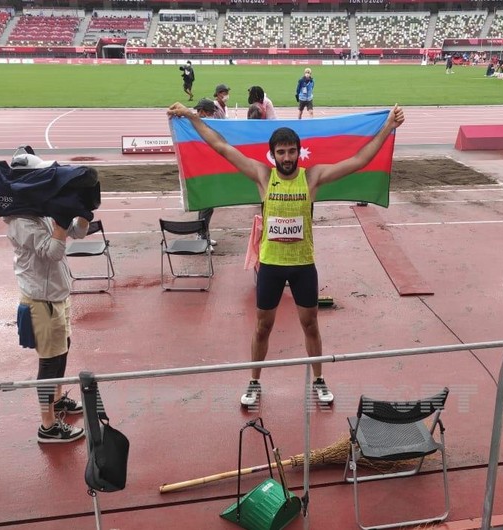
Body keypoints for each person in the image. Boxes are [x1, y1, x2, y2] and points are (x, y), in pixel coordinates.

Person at [166, 101, 405, 407]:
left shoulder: (312, 177)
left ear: (298, 151)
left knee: (310, 324)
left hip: (303, 264)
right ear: (273, 154)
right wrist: (190, 116)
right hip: (271, 265)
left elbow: (359, 160)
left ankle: (319, 380)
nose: (287, 157)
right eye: (281, 152)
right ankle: (254, 381)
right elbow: (220, 146)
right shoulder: (263, 176)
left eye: (292, 151)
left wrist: (387, 126)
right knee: (263, 326)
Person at [4, 213, 90, 443]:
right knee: (50, 361)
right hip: (41, 301)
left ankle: (58, 398)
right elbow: (53, 251)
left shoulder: (42, 213)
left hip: (57, 296)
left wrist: (83, 213)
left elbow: (78, 232)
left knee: (63, 349)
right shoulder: (20, 222)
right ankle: (48, 425)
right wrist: (61, 222)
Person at [193, 98, 219, 246]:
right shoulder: (192, 124)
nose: (211, 115)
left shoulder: (205, 125)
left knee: (208, 206)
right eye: (209, 112)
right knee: (206, 206)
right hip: (200, 172)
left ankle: (202, 233)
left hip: (207, 170)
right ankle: (202, 236)